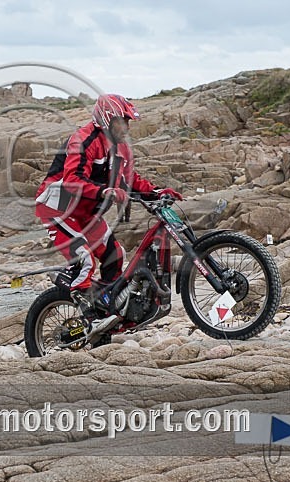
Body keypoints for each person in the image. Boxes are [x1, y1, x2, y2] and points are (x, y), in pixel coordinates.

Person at [35, 94, 182, 332]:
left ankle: (105, 309)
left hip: (85, 214)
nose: (126, 127)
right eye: (122, 121)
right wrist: (106, 191)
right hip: (57, 209)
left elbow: (130, 179)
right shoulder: (82, 140)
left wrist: (156, 191)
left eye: (128, 122)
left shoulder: (121, 147)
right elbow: (72, 180)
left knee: (115, 255)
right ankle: (86, 311)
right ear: (107, 119)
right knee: (84, 260)